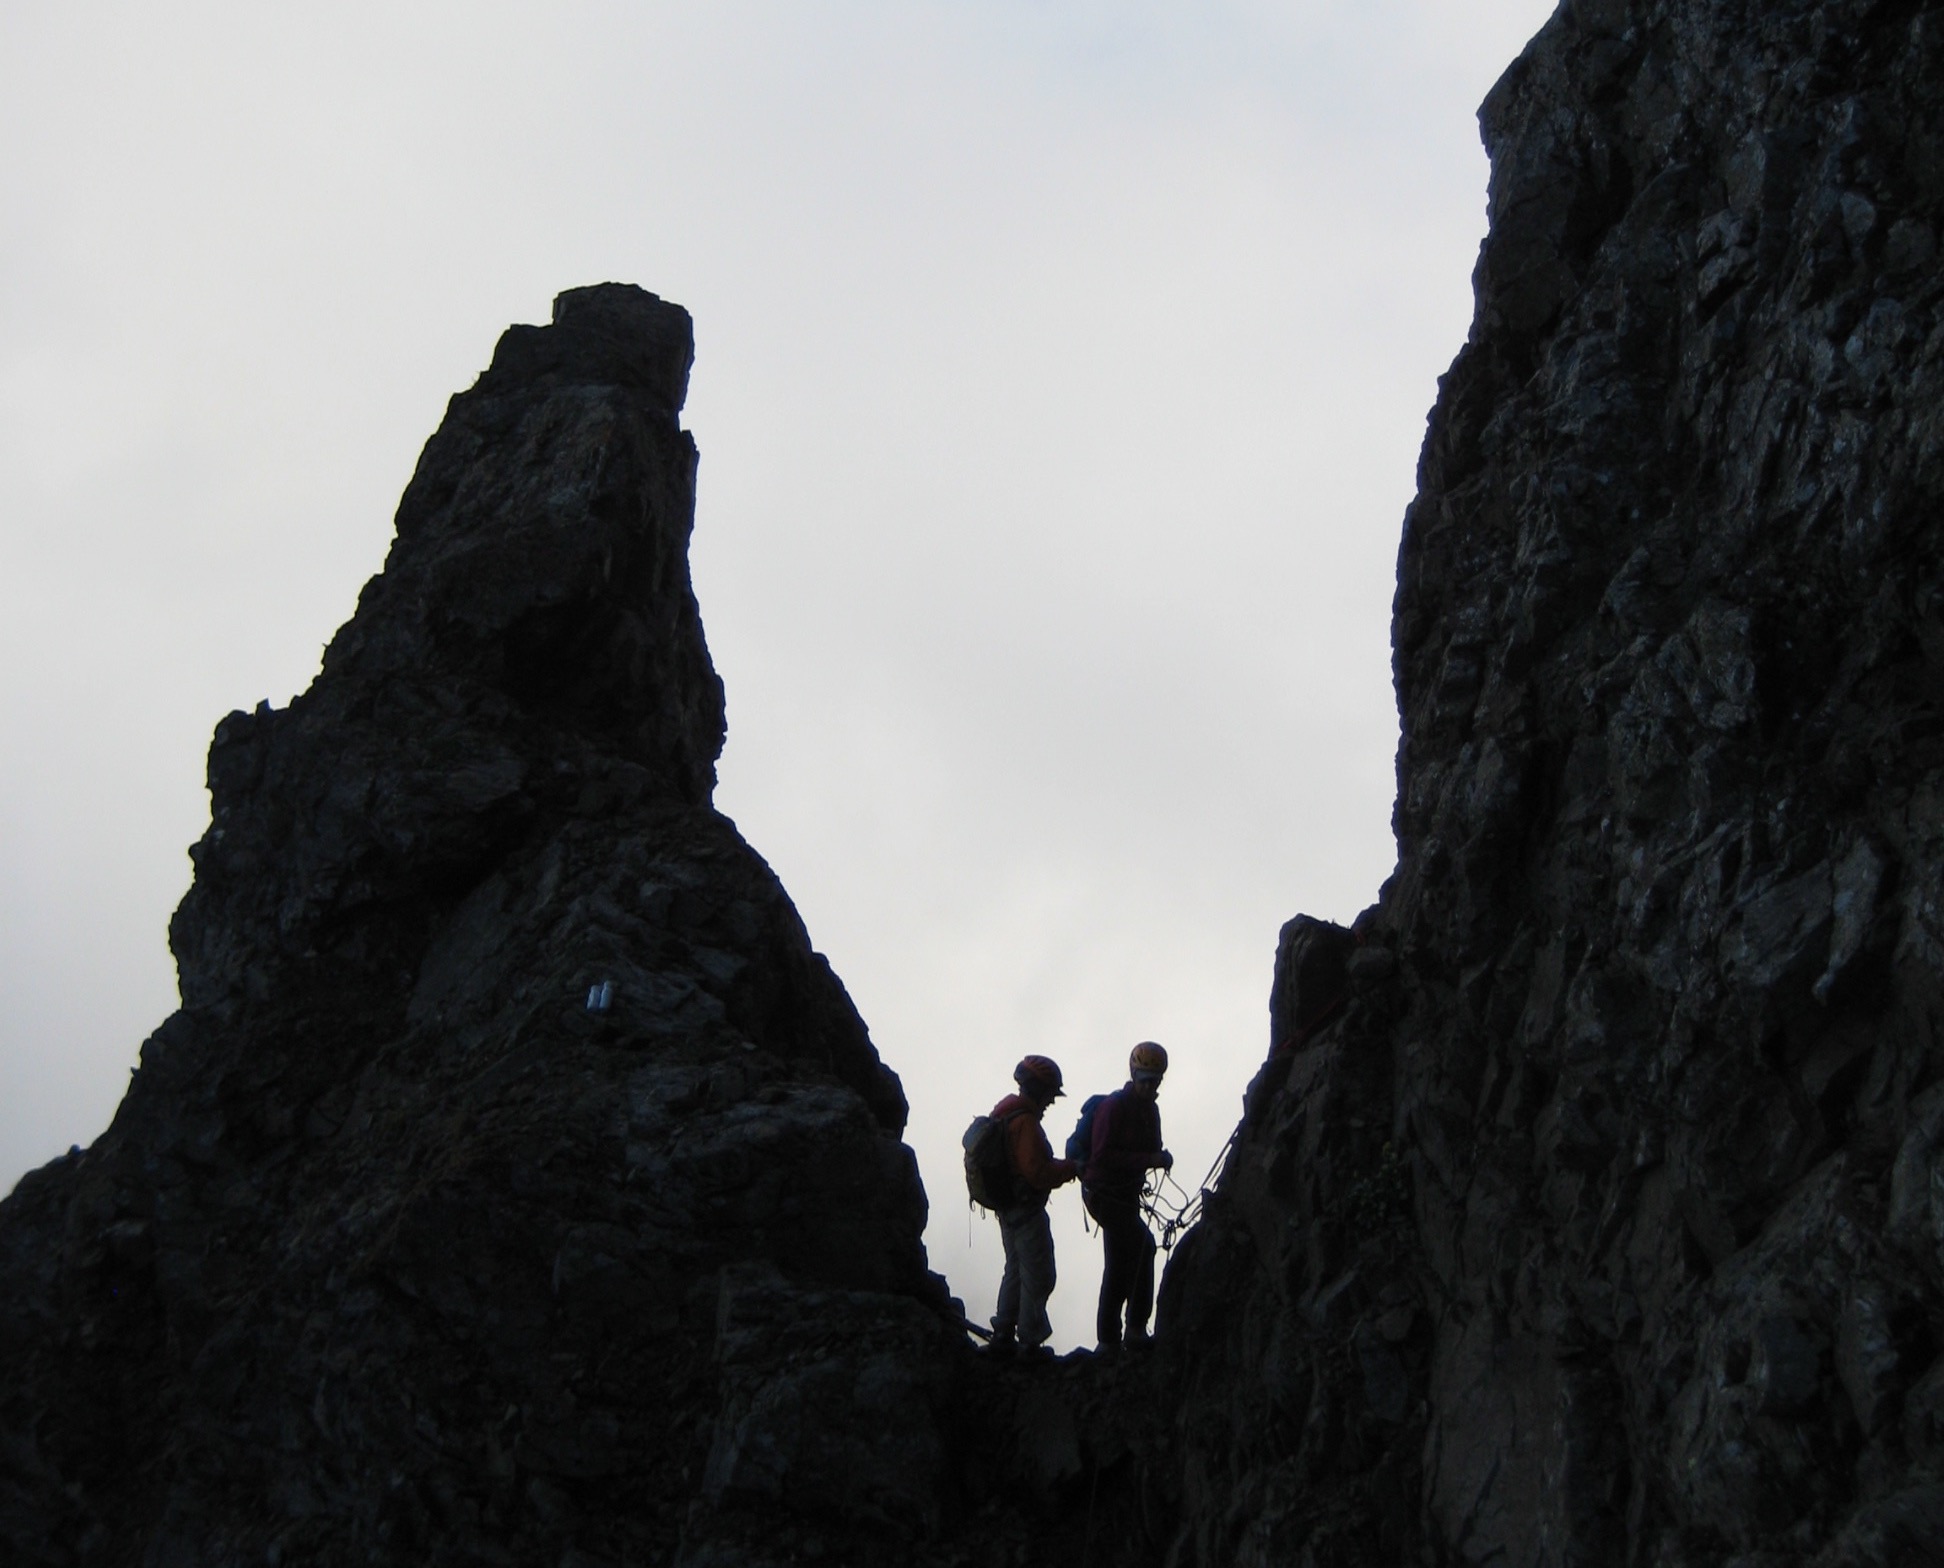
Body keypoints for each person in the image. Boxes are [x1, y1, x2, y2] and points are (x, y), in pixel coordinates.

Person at [1083, 1041, 1172, 1354]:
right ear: (1135, 1075)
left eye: (1156, 1080)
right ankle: (1125, 1332)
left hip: (1124, 1194)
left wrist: (1157, 1156)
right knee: (1140, 1249)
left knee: (1123, 1259)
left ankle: (1113, 1337)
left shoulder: (1150, 1110)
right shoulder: (1114, 1107)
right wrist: (1150, 1159)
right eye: (1146, 1080)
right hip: (1105, 1194)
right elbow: (1101, 1156)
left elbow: (1152, 1147)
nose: (1151, 1086)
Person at [989, 1055, 1079, 1356]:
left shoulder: (1005, 1113)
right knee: (1039, 1274)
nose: (1051, 1102)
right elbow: (1037, 1172)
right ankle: (1029, 1340)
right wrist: (1070, 1169)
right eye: (1050, 1095)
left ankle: (1003, 1330)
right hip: (1026, 1209)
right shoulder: (1025, 1122)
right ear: (1039, 1091)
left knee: (1014, 1268)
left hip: (1006, 1207)